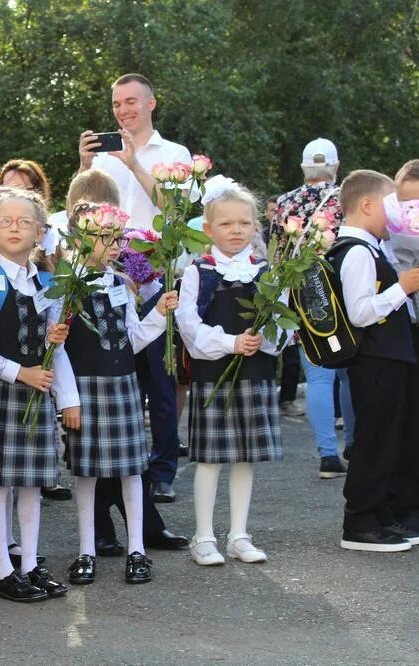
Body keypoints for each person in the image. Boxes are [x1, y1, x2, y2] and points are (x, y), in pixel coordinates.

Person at [78, 73, 191, 503]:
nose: (123, 110)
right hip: (112, 265)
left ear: (151, 104)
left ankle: (162, 470)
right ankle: (113, 468)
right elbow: (83, 208)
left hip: (156, 264)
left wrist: (134, 164)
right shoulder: (102, 157)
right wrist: (86, 167)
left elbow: (174, 211)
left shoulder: (174, 154)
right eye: (117, 104)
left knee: (162, 378)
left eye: (131, 102)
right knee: (116, 367)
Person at [62, 201, 178, 585]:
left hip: (123, 384)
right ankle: (85, 550)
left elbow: (132, 339)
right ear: (79, 238)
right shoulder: (63, 286)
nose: (113, 245)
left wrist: (159, 313)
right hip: (86, 388)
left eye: (116, 238)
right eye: (102, 237)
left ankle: (137, 550)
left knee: (132, 470)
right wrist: (67, 399)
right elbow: (57, 348)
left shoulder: (121, 284)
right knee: (87, 473)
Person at [175, 180, 285, 567]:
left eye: (244, 222)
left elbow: (284, 325)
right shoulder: (198, 273)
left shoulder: (268, 273)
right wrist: (231, 343)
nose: (236, 230)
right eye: (226, 224)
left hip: (255, 373)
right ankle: (203, 536)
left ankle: (239, 534)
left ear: (256, 226)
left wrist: (265, 339)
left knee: (244, 457)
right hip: (213, 376)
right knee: (209, 458)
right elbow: (189, 328)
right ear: (208, 229)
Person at [0, 190, 73, 602]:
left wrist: (54, 340)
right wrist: (20, 372)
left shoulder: (49, 283)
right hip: (1, 392)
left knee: (31, 485)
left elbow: (55, 345)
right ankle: (2, 568)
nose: (14, 228)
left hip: (37, 394)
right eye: (5, 222)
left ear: (39, 232)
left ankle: (29, 563)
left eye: (24, 222)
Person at [330, 170, 419, 552]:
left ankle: (379, 514)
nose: (398, 214)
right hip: (375, 360)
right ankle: (360, 521)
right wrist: (402, 288)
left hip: (388, 359)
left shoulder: (370, 247)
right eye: (392, 205)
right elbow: (360, 313)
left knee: (386, 438)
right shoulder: (356, 252)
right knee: (373, 440)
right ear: (367, 205)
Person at [274, 138, 353, 477]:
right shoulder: (345, 199)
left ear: (304, 167)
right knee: (350, 371)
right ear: (335, 166)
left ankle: (327, 455)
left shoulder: (285, 202)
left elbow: (276, 252)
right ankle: (354, 445)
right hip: (342, 289)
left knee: (317, 374)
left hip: (302, 292)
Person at [389, 159, 419, 531]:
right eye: (408, 205)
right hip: (404, 334)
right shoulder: (384, 238)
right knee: (407, 423)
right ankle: (407, 505)